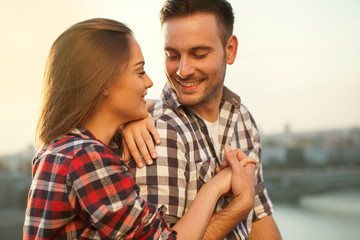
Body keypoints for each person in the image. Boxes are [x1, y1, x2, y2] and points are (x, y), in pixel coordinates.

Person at [23, 18, 256, 239]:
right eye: (139, 71)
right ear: (103, 82)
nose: (149, 82)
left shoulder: (61, 149)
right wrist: (221, 189)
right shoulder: (88, 158)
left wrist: (134, 117)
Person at [121, 0, 282, 239]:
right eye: (171, 55)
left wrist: (247, 204)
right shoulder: (160, 131)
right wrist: (238, 206)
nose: (183, 70)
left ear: (230, 50)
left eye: (198, 54)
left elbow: (260, 218)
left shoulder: (243, 119)